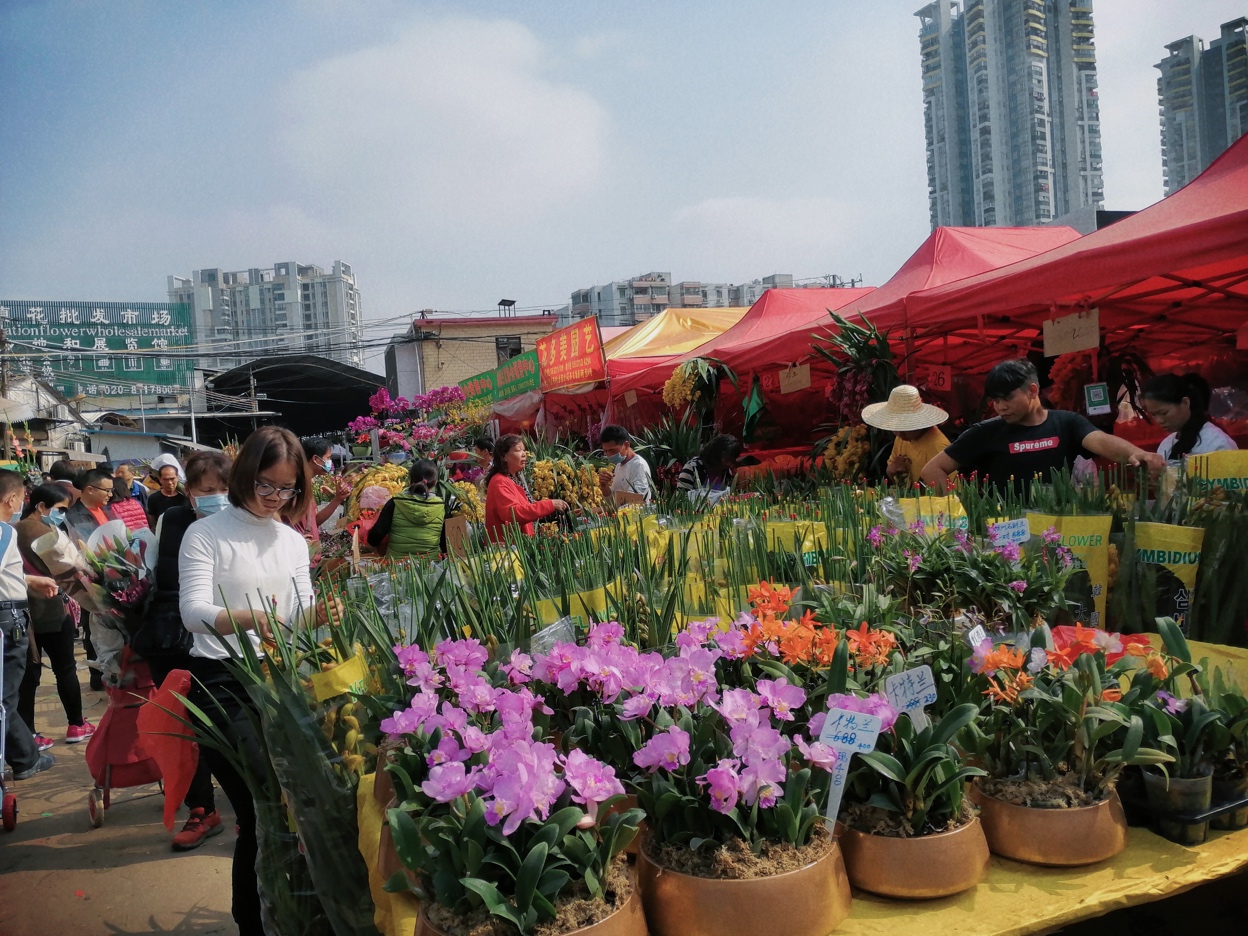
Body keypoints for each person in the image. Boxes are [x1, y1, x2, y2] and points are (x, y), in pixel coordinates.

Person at [179, 427, 338, 935]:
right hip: (224, 681)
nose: (274, 499)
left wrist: (319, 615)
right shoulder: (204, 533)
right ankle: (255, 921)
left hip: (282, 675)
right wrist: (246, 618)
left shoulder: (291, 540)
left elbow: (295, 611)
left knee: (298, 802)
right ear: (245, 475)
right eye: (265, 486)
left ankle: (295, 912)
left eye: (287, 489)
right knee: (262, 802)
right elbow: (193, 613)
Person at [140, 450, 232, 851]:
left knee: (227, 724)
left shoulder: (244, 524)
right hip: (172, 638)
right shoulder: (171, 520)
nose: (217, 497)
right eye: (207, 490)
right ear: (190, 492)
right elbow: (152, 576)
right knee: (183, 722)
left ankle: (251, 807)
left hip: (228, 637)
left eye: (225, 489)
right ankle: (202, 809)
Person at [921, 358, 1165, 495]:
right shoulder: (984, 432)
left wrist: (1136, 453)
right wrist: (963, 508)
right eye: (995, 400)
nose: (1000, 407)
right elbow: (933, 469)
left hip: (1056, 530)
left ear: (1033, 390)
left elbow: (1099, 440)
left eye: (1007, 398)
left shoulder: (1066, 423)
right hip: (1005, 535)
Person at [16, 484, 94, 749]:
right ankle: (76, 724)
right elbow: (70, 568)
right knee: (65, 669)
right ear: (41, 507)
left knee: (29, 675)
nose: (62, 515)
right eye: (60, 509)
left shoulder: (10, 531)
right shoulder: (47, 532)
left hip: (22, 613)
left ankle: (30, 734)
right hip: (51, 609)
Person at [0, 469, 60, 782]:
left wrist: (27, 579)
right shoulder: (5, 532)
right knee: (5, 697)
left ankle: (24, 756)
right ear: (10, 499)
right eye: (21, 498)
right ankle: (25, 759)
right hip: (7, 619)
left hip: (9, 609)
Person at [65, 467, 117, 690]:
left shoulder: (108, 511)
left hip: (114, 575)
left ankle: (114, 669)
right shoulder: (73, 517)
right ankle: (98, 676)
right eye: (106, 490)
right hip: (91, 579)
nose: (110, 495)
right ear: (89, 490)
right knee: (93, 624)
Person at [861, 384, 951, 486]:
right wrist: (891, 470)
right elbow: (896, 480)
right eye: (896, 428)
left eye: (906, 428)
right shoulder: (902, 437)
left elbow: (951, 492)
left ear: (919, 422)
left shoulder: (937, 446)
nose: (900, 435)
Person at [483, 435, 568, 542]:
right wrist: (549, 505)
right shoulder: (499, 481)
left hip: (519, 544)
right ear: (504, 456)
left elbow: (527, 509)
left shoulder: (514, 479)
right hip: (508, 549)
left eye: (524, 450)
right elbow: (512, 513)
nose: (524, 454)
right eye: (518, 450)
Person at [367, 458, 457, 559]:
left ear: (410, 478)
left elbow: (375, 537)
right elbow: (446, 543)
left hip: (397, 567)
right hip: (431, 568)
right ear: (435, 482)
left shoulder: (396, 502)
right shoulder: (440, 506)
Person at [1141, 373, 1237, 463]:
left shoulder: (1218, 444)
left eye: (1163, 413)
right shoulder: (1166, 445)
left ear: (1185, 403)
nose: (1159, 420)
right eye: (1153, 415)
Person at [292, 437, 353, 559]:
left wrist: (337, 499)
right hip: (301, 557)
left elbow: (315, 521)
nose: (330, 462)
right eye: (328, 458)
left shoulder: (307, 485)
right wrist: (293, 541)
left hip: (311, 554)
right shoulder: (295, 487)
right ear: (315, 459)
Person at [599, 425, 654, 505]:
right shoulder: (618, 465)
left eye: (612, 450)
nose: (609, 455)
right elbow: (613, 501)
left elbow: (634, 502)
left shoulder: (639, 466)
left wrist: (598, 510)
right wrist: (604, 486)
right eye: (606, 451)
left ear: (626, 445)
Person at [677, 434, 743, 493]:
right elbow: (681, 497)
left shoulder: (726, 472)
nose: (729, 464)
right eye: (727, 460)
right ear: (715, 455)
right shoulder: (692, 468)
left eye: (732, 461)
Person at [146, 461, 188, 526]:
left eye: (172, 479)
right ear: (160, 480)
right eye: (166, 479)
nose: (169, 482)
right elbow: (152, 523)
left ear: (177, 478)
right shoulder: (153, 498)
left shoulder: (185, 497)